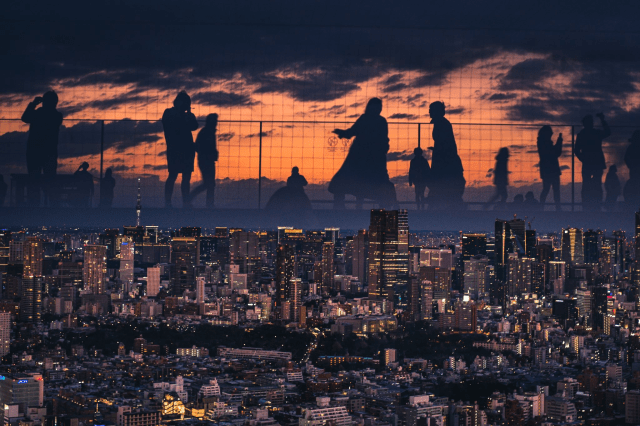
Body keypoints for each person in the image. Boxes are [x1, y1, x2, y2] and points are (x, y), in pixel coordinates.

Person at [328, 98, 396, 209]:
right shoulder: (377, 120)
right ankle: (350, 205)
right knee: (367, 180)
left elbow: (352, 132)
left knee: (349, 179)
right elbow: (353, 132)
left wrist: (343, 133)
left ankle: (342, 205)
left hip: (361, 156)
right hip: (367, 156)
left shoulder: (368, 119)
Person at [21, 90, 63, 206]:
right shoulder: (57, 116)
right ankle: (52, 208)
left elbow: (24, 118)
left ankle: (34, 207)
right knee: (50, 180)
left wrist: (33, 104)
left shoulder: (38, 113)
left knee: (34, 181)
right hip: (49, 152)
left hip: (34, 151)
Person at [161, 91, 198, 208]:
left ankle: (184, 202)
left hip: (185, 150)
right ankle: (169, 202)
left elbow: (194, 126)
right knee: (173, 175)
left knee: (185, 177)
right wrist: (186, 115)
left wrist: (189, 114)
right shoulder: (169, 113)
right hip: (176, 149)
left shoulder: (184, 115)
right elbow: (175, 124)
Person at [427, 101, 465, 208]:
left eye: (431, 109)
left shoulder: (442, 124)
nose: (429, 112)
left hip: (445, 162)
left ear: (436, 111)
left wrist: (439, 151)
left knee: (442, 190)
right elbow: (446, 143)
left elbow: (446, 143)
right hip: (444, 160)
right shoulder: (442, 123)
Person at [574, 113, 610, 207]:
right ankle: (596, 204)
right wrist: (602, 120)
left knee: (587, 184)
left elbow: (577, 150)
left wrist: (584, 159)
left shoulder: (582, 135)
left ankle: (587, 205)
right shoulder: (595, 133)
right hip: (596, 162)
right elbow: (608, 132)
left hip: (588, 163)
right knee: (596, 184)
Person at [191, 113, 219, 208]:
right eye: (215, 121)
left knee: (210, 183)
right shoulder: (206, 132)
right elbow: (198, 146)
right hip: (205, 160)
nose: (216, 123)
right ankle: (191, 198)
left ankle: (209, 204)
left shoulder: (209, 132)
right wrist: (209, 153)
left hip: (208, 160)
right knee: (209, 183)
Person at [537, 125, 563, 207]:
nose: (551, 134)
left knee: (546, 189)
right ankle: (557, 208)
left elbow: (554, 153)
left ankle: (541, 208)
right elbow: (555, 153)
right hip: (552, 169)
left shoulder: (541, 143)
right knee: (554, 190)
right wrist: (559, 142)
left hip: (546, 170)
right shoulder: (545, 143)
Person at [624, 130, 640, 206]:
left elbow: (626, 158)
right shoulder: (632, 148)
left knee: (634, 185)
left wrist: (631, 165)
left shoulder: (631, 147)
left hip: (633, 170)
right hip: (634, 170)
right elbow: (626, 158)